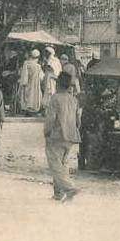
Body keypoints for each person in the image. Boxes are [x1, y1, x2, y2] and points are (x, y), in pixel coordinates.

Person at [44, 72, 82, 201]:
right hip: (71, 136)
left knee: (55, 164)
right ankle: (58, 193)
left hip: (57, 135)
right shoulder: (74, 100)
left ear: (58, 84)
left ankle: (69, 188)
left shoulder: (55, 98)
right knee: (63, 164)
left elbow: (50, 119)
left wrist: (47, 132)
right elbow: (78, 121)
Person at [18, 49, 43, 116]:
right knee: (34, 95)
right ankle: (32, 109)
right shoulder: (38, 66)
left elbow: (24, 75)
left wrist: (23, 82)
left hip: (27, 83)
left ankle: (27, 109)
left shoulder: (26, 63)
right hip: (35, 84)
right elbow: (41, 77)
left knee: (27, 96)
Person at [41, 47, 62, 111]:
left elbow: (53, 70)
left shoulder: (53, 60)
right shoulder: (51, 60)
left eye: (46, 53)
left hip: (52, 79)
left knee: (51, 92)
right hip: (49, 78)